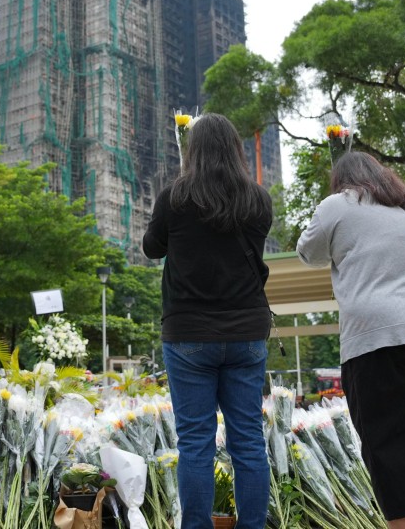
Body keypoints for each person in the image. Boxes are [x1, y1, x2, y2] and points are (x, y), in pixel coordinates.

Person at [296, 151, 405, 529]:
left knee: (387, 440)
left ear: (341, 180)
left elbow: (308, 252)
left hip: (376, 336)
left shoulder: (336, 205)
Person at [142, 113, 273, 529]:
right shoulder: (257, 199)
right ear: (235, 150)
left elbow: (151, 248)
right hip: (247, 333)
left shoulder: (175, 198)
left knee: (195, 443)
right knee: (248, 441)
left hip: (189, 335)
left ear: (192, 150)